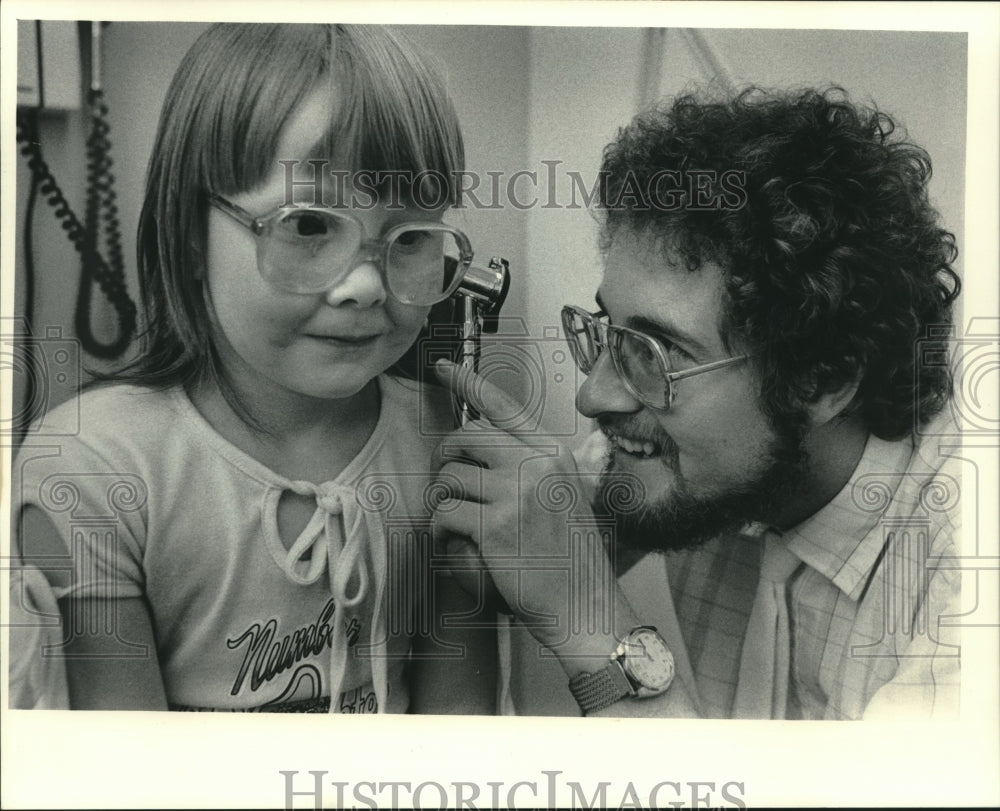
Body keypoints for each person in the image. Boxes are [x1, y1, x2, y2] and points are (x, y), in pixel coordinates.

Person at [432, 86, 962, 720]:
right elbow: (502, 558)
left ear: (821, 382)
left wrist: (590, 617)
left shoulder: (959, 575)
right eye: (611, 336)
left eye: (654, 356)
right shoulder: (685, 457)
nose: (592, 394)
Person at [12, 23, 495, 713]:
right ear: (188, 235)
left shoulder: (447, 444)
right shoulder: (90, 473)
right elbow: (119, 772)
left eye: (411, 236)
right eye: (307, 226)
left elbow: (462, 731)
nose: (364, 285)